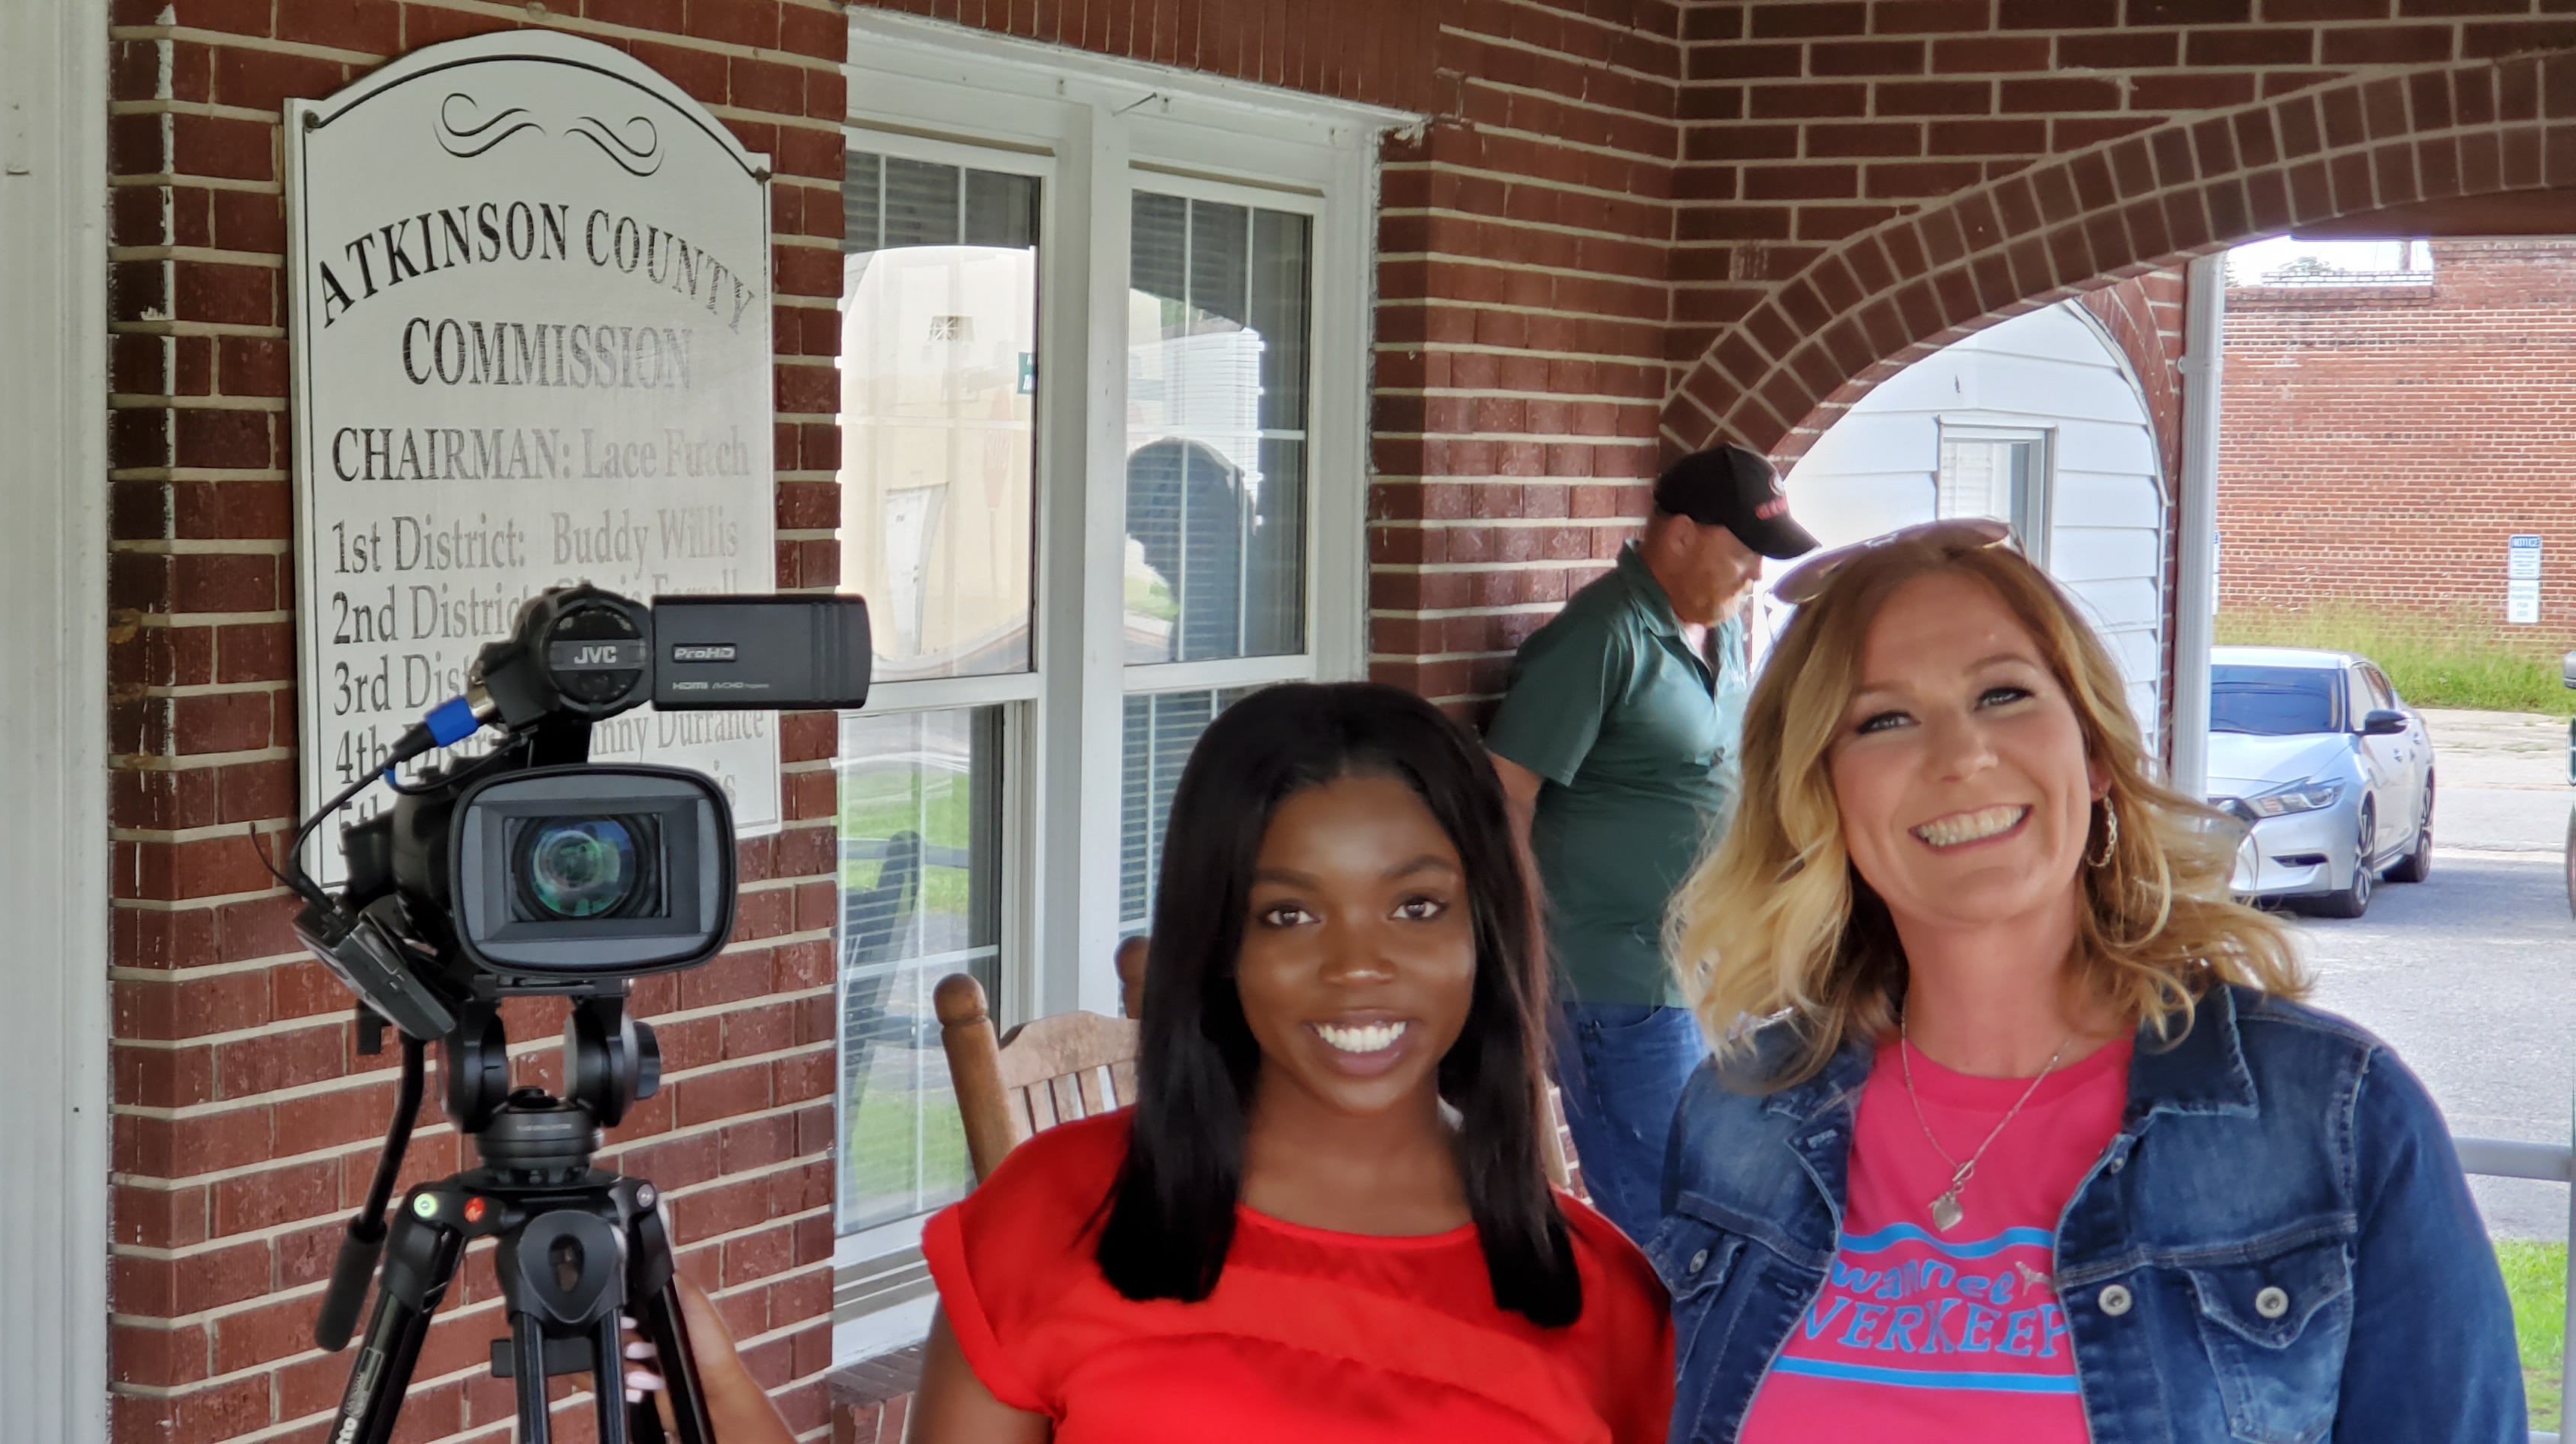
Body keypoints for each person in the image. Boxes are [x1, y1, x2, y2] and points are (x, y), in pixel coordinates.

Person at [1653, 519, 2525, 1442]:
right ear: (1820, 790)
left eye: (2002, 694)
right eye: (1884, 719)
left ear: (2096, 755)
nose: (1959, 756)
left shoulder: (2335, 1122)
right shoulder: (1737, 1115)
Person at [639, 681, 1673, 1442]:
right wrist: (719, 1387)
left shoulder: (1610, 1304)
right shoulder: (1057, 1215)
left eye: (1416, 906)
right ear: (1218, 947)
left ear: (1484, 931)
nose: (1361, 965)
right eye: (1289, 913)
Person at [1486, 443, 1818, 1240]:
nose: (1756, 578)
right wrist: (1518, 958)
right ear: (1679, 537)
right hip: (1619, 988)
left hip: (1704, 971)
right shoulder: (1603, 638)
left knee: (1718, 1198)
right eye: (1744, 554)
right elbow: (1504, 794)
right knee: (1661, 1222)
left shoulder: (1723, 633)